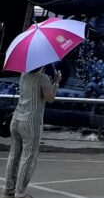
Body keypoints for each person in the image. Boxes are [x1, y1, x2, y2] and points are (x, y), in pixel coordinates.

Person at [5, 64, 59, 198]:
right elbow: (50, 98)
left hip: (17, 118)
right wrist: (56, 82)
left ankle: (9, 188)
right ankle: (20, 192)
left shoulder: (23, 74)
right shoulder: (43, 78)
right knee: (28, 158)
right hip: (31, 121)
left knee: (14, 156)